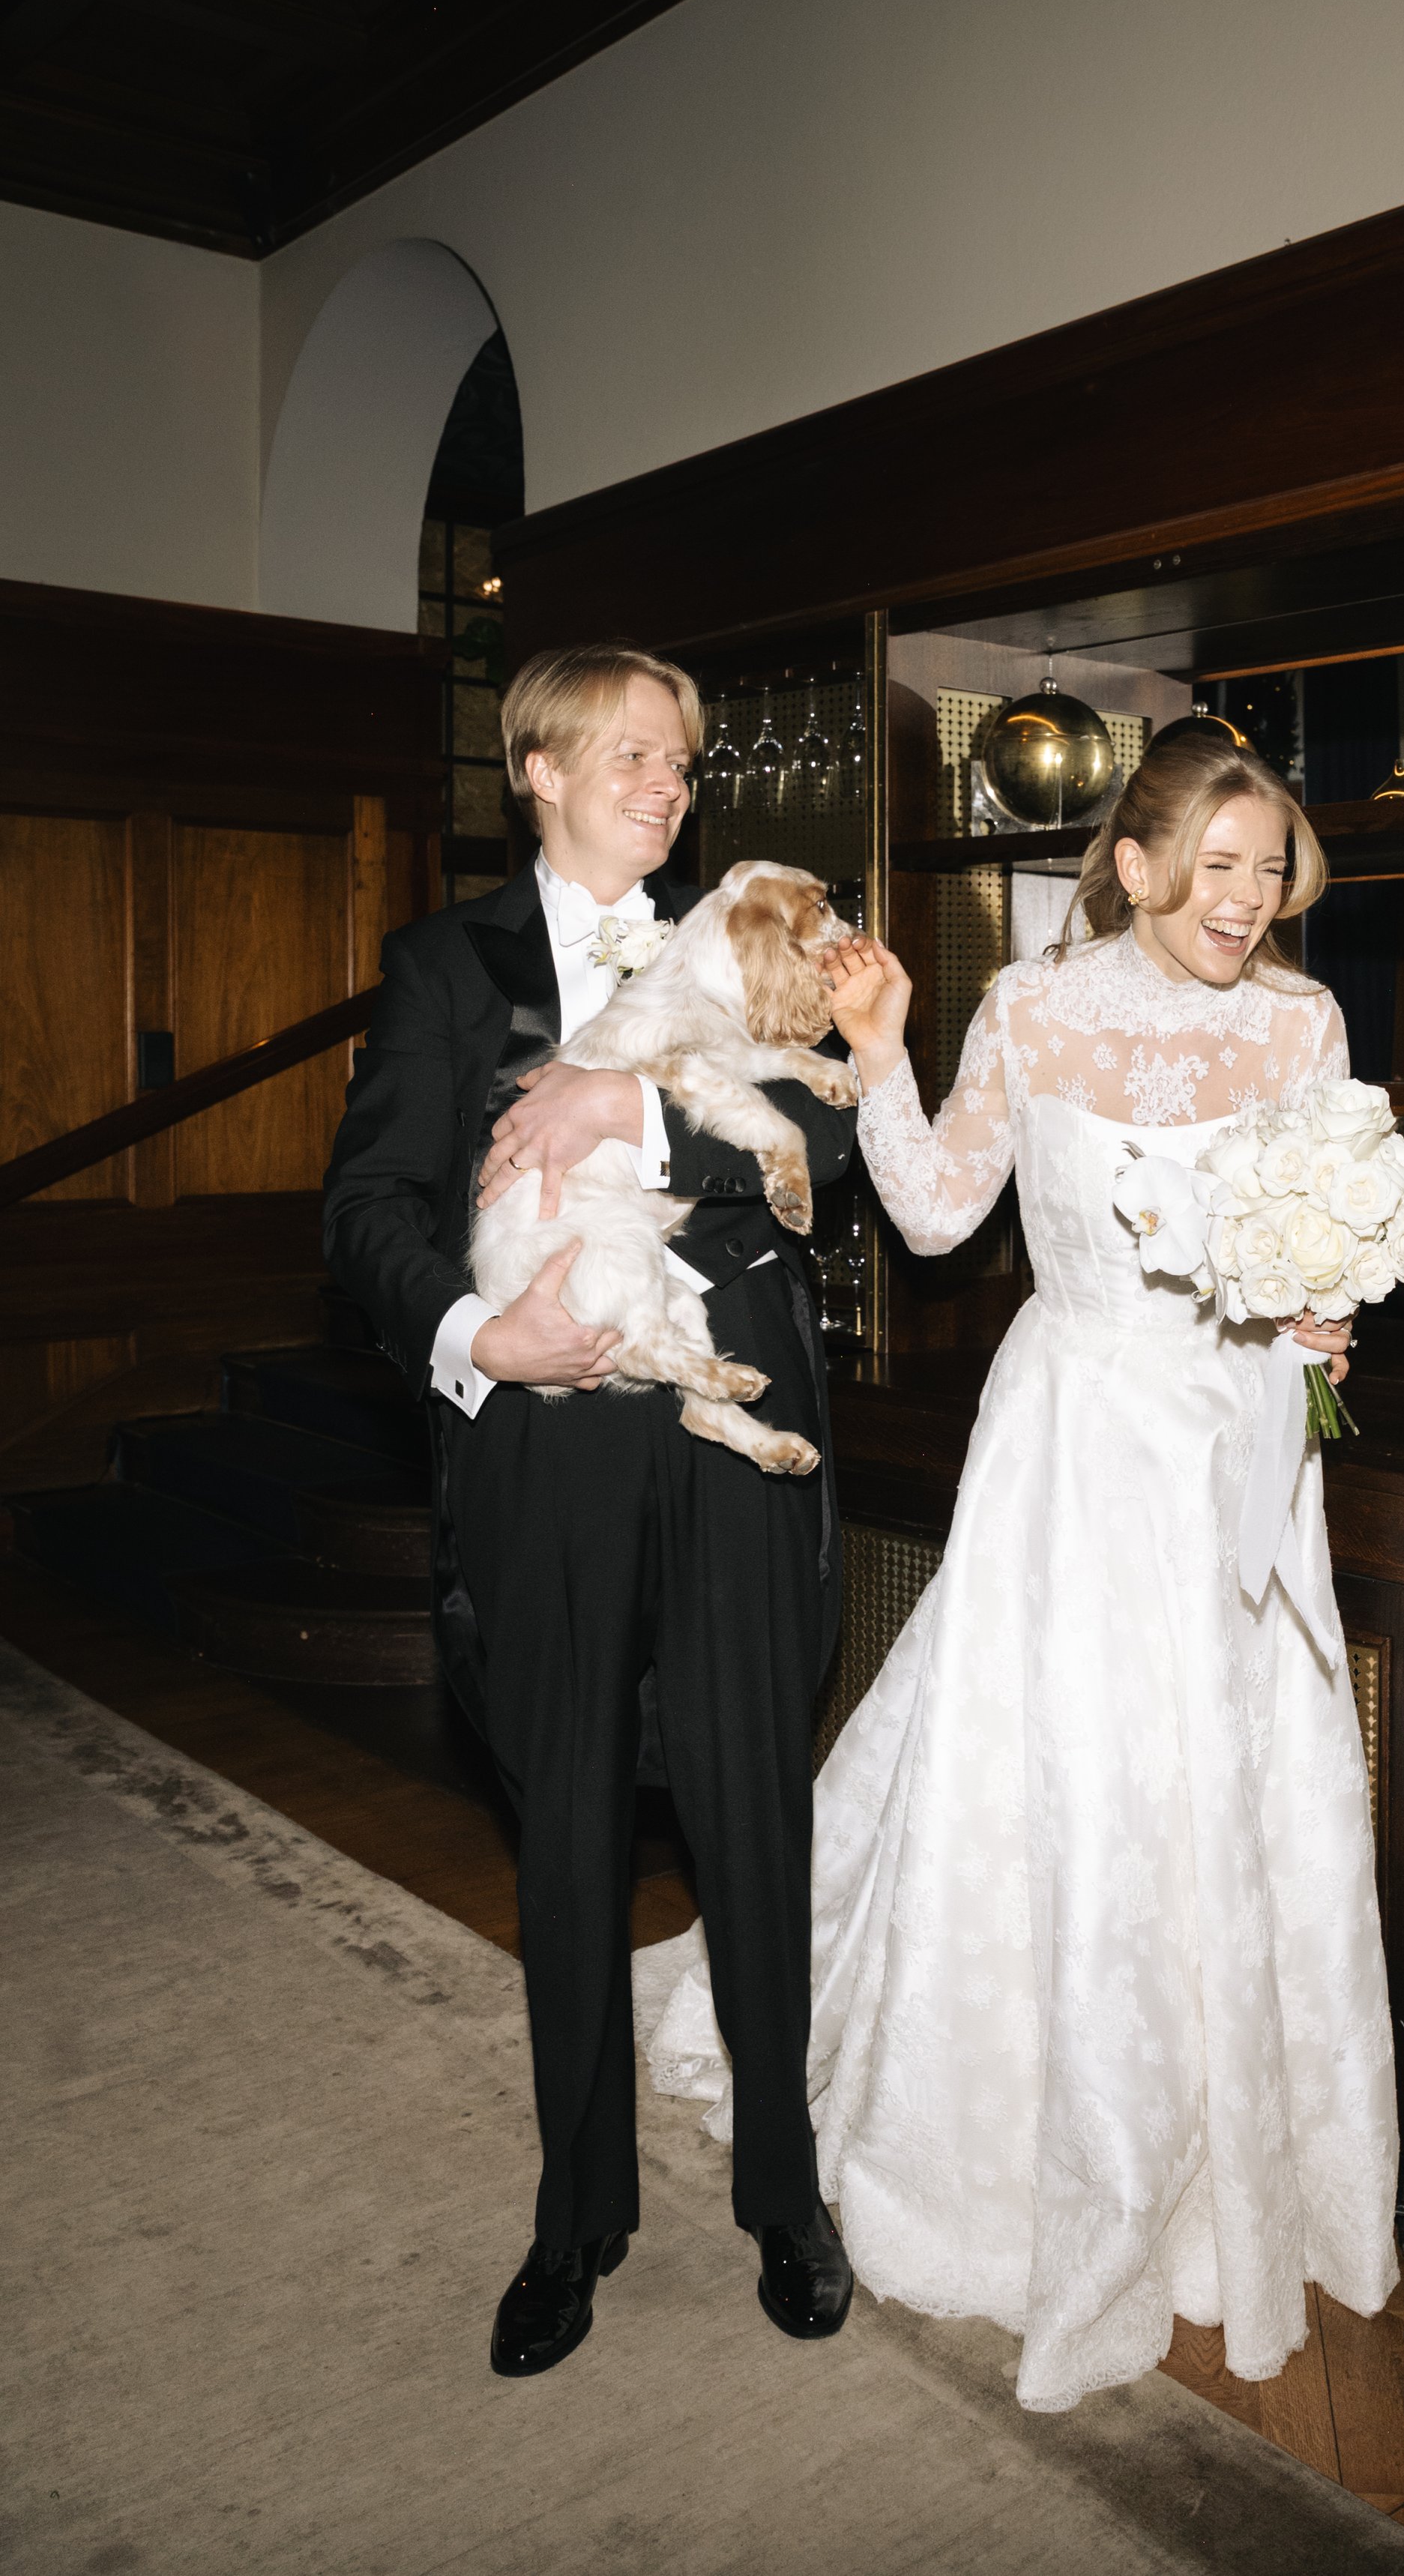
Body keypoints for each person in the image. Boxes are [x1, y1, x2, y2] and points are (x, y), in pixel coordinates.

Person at [641, 718, 1400, 2412]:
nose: (1245, 896)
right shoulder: (1034, 1006)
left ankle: (1232, 2171)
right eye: (1213, 864)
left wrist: (1322, 1317)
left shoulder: (1304, 1021)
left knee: (1232, 1788)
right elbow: (928, 1214)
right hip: (1074, 1450)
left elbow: (1315, 1234)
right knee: (1074, 1786)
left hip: (1240, 1452)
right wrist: (882, 1049)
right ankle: (1029, 2165)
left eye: (1268, 867)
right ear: (1130, 864)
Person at [323, 644, 857, 2377]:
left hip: (737, 1428)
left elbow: (839, 1150)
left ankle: (783, 2192)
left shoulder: (752, 923)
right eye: (628, 754)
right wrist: (484, 1339)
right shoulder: (442, 965)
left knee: (752, 1808)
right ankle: (577, 2216)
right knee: (562, 1827)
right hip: (546, 1440)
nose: (665, 784)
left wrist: (628, 1099)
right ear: (537, 770)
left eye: (681, 761)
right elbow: (368, 1207)